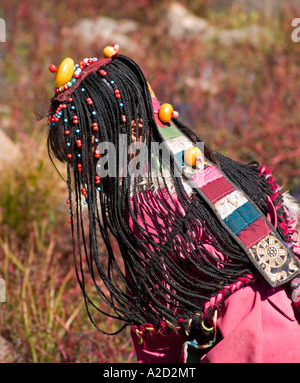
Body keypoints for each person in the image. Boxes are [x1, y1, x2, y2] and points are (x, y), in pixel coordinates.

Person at [46, 44, 300, 363]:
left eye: (84, 158)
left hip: (250, 346)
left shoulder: (146, 205)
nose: (87, 173)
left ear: (133, 131)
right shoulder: (205, 168)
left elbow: (158, 321)